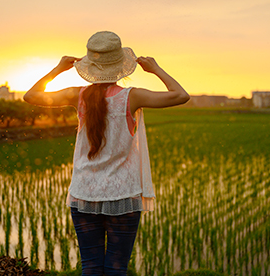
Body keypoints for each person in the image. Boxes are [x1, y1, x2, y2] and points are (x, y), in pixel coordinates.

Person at [24, 31, 190, 275]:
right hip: (123, 195)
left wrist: (58, 69)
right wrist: (155, 69)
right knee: (116, 267)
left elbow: (31, 96)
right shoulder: (131, 97)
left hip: (84, 193)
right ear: (120, 64)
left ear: (91, 65)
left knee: (90, 265)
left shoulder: (76, 95)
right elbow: (181, 95)